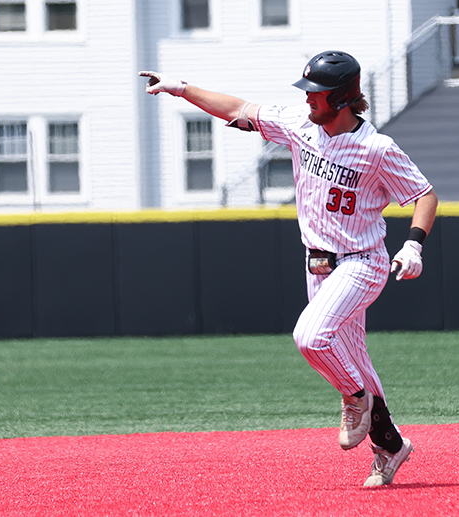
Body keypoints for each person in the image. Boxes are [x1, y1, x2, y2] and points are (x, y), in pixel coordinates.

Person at [139, 50, 438, 487]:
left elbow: (424, 195)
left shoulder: (376, 147)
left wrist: (414, 246)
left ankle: (355, 400)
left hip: (362, 261)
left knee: (310, 337)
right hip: (318, 265)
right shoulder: (301, 125)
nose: (308, 100)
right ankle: (390, 446)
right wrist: (182, 89)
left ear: (340, 98)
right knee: (354, 358)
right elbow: (240, 109)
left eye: (316, 94)